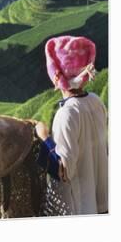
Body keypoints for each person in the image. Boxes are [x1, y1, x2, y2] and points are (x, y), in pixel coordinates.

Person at [34, 35, 108, 215]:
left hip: (80, 207)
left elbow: (63, 172)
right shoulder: (96, 102)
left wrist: (44, 137)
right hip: (103, 200)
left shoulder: (66, 114)